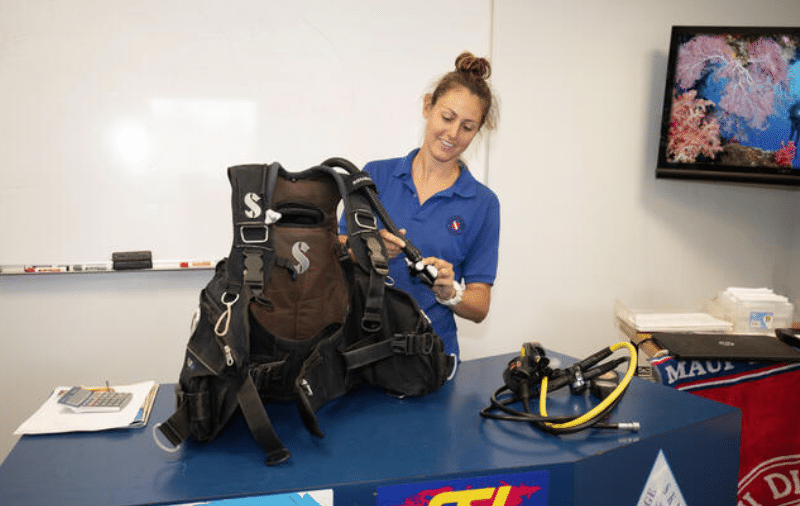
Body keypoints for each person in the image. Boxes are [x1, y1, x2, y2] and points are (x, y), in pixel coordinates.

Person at [341, 51, 500, 360]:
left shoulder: (483, 204)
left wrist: (451, 293)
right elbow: (335, 247)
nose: (453, 134)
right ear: (428, 106)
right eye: (447, 118)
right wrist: (369, 248)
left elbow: (480, 305)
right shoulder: (375, 175)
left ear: (477, 131)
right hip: (360, 350)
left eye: (467, 127)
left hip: (429, 359)